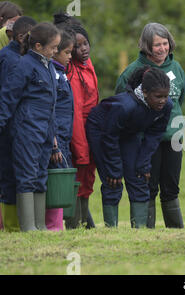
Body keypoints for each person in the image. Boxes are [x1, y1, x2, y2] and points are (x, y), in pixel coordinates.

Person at [115, 23, 185, 229]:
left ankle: (176, 231)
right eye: (157, 45)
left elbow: (180, 98)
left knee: (171, 187)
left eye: (165, 43)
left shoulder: (177, 68)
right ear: (146, 46)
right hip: (145, 140)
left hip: (174, 137)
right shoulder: (133, 72)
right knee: (148, 187)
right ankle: (146, 231)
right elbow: (121, 103)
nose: (162, 48)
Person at [86, 66, 172, 228]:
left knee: (139, 177)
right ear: (145, 92)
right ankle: (111, 229)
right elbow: (109, 137)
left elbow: (154, 135)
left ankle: (138, 229)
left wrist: (144, 163)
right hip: (102, 131)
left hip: (128, 133)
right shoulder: (125, 106)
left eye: (165, 96)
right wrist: (114, 168)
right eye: (158, 96)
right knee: (113, 180)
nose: (162, 100)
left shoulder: (166, 106)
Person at [0, 22, 61, 232]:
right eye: (53, 47)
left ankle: (40, 225)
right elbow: (8, 98)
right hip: (26, 129)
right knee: (27, 174)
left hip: (45, 130)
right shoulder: (24, 65)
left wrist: (53, 137)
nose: (56, 51)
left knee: (41, 175)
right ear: (37, 46)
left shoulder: (49, 66)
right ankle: (28, 226)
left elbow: (52, 103)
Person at [0, 15, 37, 232]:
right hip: (9, 127)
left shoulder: (19, 57)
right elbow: (8, 98)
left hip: (19, 126)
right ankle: (12, 228)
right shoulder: (11, 60)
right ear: (23, 37)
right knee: (9, 176)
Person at [66, 22, 99, 229]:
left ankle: (86, 223)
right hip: (79, 132)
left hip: (91, 129)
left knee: (87, 178)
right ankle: (74, 225)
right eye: (78, 46)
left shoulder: (88, 64)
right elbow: (76, 112)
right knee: (77, 178)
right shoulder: (72, 71)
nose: (84, 49)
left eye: (85, 43)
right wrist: (81, 147)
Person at [45, 27, 76, 232]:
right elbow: (51, 109)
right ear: (54, 51)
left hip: (64, 137)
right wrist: (54, 139)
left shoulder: (62, 74)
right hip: (55, 139)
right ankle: (52, 226)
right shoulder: (53, 75)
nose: (70, 57)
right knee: (55, 180)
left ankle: (58, 224)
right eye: (67, 52)